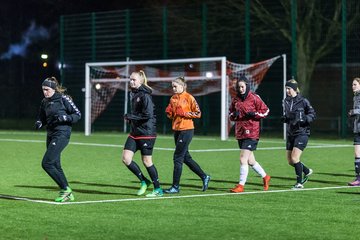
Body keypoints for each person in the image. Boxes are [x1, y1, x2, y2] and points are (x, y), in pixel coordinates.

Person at [35, 76, 81, 202]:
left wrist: (66, 118)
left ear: (54, 89)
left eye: (47, 89)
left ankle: (65, 189)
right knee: (55, 164)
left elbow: (77, 114)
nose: (45, 92)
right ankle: (68, 193)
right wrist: (39, 122)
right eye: (43, 89)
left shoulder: (63, 99)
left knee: (47, 163)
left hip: (62, 134)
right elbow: (41, 117)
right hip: (50, 134)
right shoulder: (44, 101)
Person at [164, 76, 211, 194]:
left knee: (177, 158)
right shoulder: (173, 99)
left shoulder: (189, 98)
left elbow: (198, 113)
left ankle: (175, 187)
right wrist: (169, 114)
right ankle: (204, 176)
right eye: (172, 86)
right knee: (185, 158)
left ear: (182, 86)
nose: (173, 88)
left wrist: (185, 113)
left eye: (175, 86)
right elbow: (172, 116)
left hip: (187, 130)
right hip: (177, 130)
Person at [122, 70, 163, 197]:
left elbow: (148, 115)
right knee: (126, 159)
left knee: (147, 161)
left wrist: (131, 117)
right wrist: (131, 119)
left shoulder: (145, 95)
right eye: (130, 79)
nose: (131, 81)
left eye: (134, 79)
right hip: (135, 132)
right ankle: (144, 181)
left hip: (146, 133)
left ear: (140, 81)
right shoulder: (133, 93)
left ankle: (158, 189)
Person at [228, 76, 271, 193]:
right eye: (239, 87)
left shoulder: (254, 97)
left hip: (252, 132)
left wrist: (254, 114)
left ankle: (240, 186)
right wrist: (234, 115)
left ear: (247, 86)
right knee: (250, 161)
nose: (240, 89)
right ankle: (265, 177)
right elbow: (231, 113)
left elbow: (266, 111)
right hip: (240, 132)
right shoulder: (235, 99)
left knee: (243, 159)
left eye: (242, 87)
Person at [282, 78, 316, 189]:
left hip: (302, 133)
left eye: (289, 89)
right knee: (290, 161)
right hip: (290, 133)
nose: (287, 91)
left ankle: (299, 183)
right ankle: (306, 170)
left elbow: (312, 114)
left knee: (295, 158)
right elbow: (289, 117)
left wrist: (304, 119)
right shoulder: (285, 101)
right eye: (286, 89)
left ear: (295, 89)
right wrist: (286, 118)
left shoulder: (303, 101)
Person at [348, 77, 360, 186]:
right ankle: (358, 178)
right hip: (357, 129)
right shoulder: (355, 97)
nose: (353, 86)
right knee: (357, 153)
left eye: (355, 84)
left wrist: (354, 111)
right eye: (352, 84)